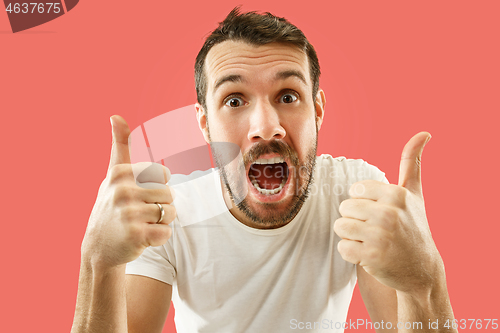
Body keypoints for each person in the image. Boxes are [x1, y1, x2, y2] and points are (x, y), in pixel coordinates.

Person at [71, 7, 457, 333]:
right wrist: (98, 262)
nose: (265, 125)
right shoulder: (170, 215)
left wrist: (425, 280)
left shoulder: (354, 193)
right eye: (235, 100)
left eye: (288, 96)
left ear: (317, 110)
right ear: (205, 124)